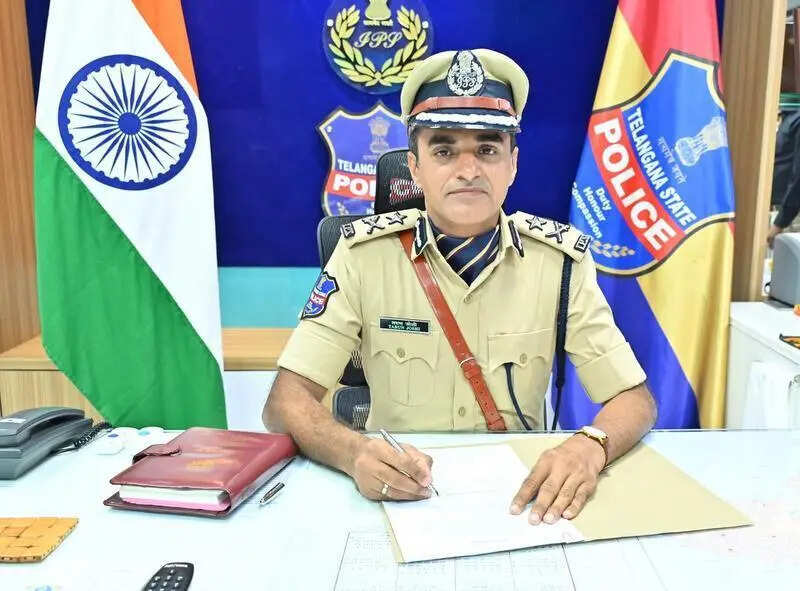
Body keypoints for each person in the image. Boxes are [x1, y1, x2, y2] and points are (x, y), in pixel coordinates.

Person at [264, 49, 657, 525]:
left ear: (513, 164)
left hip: (520, 503)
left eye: (487, 150)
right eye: (444, 151)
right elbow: (284, 402)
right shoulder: (362, 257)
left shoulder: (560, 264)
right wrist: (354, 453)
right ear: (415, 168)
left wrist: (589, 446)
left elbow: (634, 400)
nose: (468, 170)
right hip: (399, 496)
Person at [768, 109, 800, 247]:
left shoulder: (796, 120)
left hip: (789, 215)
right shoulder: (786, 117)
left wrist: (779, 223)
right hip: (777, 210)